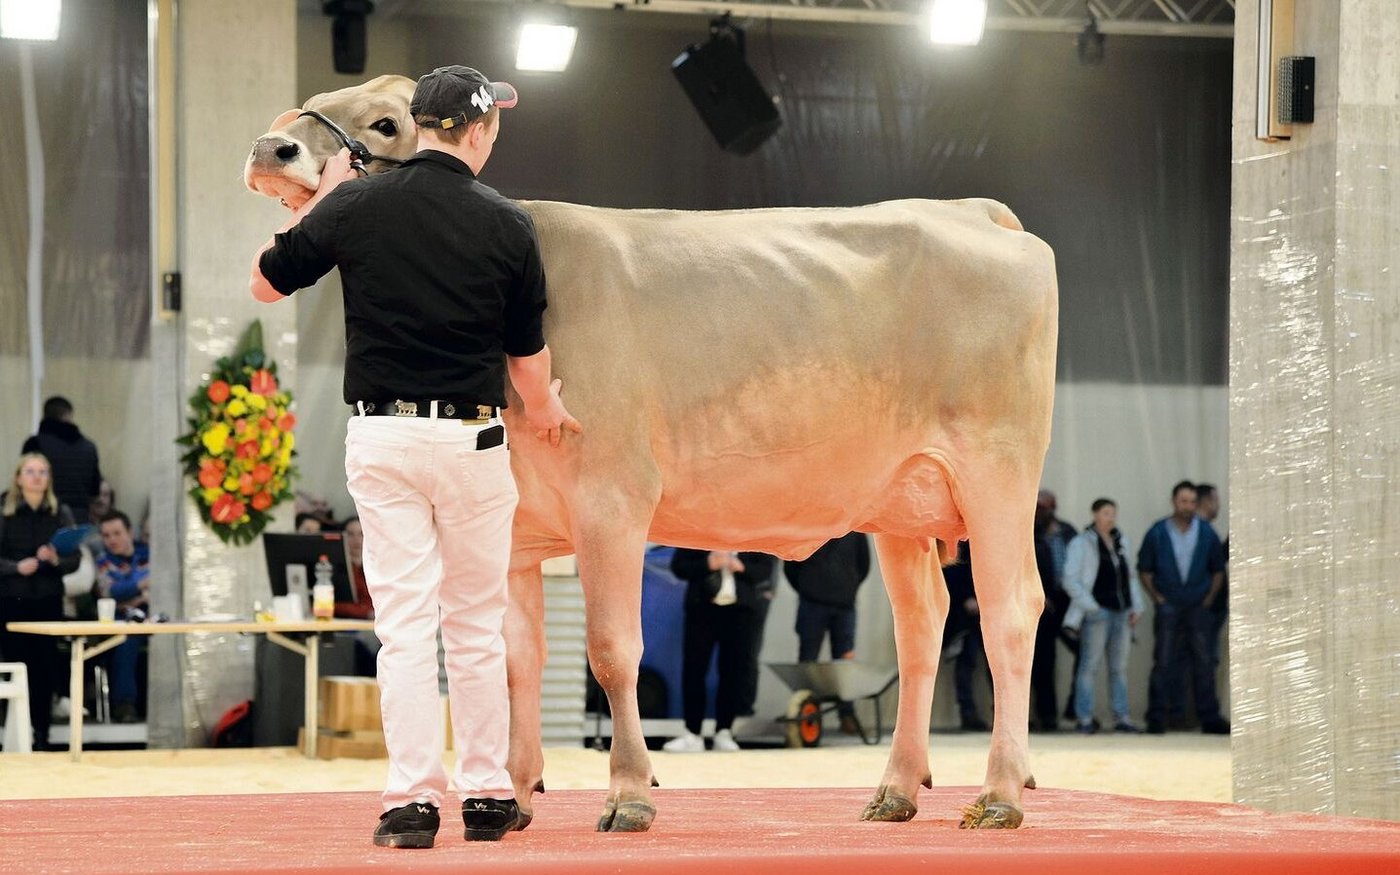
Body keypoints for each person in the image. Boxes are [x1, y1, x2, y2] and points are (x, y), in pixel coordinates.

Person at [250, 65, 580, 848]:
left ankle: (409, 803)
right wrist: (548, 407)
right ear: (479, 130)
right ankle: (489, 794)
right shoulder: (507, 224)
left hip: (385, 434)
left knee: (404, 627)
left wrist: (327, 197)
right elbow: (526, 355)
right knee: (474, 623)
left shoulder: (357, 204)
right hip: (472, 440)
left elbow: (265, 284)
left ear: (423, 124)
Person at [0, 453, 80, 750]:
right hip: (12, 599)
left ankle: (43, 735)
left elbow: (75, 560)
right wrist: (15, 568)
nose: (37, 477)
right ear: (19, 477)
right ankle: (13, 737)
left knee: (45, 667)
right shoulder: (4, 511)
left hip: (47, 599)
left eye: (43, 472)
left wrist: (56, 558)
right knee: (16, 664)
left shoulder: (60, 513)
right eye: (31, 471)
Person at [1137, 481, 1228, 735]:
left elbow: (1218, 570)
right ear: (1173, 501)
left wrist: (1209, 599)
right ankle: (1157, 718)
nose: (1187, 506)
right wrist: (1158, 598)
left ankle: (1209, 718)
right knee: (1163, 661)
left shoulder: (1207, 532)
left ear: (1195, 504)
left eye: (1191, 502)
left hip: (1198, 606)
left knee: (1204, 662)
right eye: (1182, 501)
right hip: (1169, 606)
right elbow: (1144, 568)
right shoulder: (1157, 532)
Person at [664, 548, 777, 752]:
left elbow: (765, 570)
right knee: (694, 670)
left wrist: (741, 566)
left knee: (733, 671)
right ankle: (692, 732)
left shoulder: (752, 532)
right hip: (702, 610)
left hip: (740, 612)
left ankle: (724, 730)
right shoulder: (698, 530)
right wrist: (708, 564)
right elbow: (679, 566)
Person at [1062, 499, 1144, 733]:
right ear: (1095, 514)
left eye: (1113, 513)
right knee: (1089, 665)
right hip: (1098, 611)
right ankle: (1085, 718)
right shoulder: (1082, 542)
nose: (1111, 518)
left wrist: (1136, 606)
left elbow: (1130, 577)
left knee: (1119, 667)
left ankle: (1122, 717)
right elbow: (1071, 579)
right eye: (1106, 513)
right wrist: (1091, 606)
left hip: (1121, 611)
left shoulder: (1121, 541)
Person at [783, 532, 870, 734]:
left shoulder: (856, 528)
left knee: (844, 662)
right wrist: (808, 588)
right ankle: (805, 715)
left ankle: (847, 714)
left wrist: (848, 586)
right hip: (811, 604)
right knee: (808, 660)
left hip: (845, 605)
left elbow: (864, 566)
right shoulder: (809, 522)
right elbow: (791, 565)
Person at [94, 510, 150, 723]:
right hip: (121, 622)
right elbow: (108, 592)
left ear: (129, 531)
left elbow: (162, 587)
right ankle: (125, 705)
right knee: (126, 635)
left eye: (117, 533)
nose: (112, 540)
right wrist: (140, 587)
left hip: (153, 619)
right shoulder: (103, 562)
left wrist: (131, 595)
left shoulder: (149, 554)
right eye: (106, 536)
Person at [1033, 490, 1075, 732]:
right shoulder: (1028, 532)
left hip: (1069, 601)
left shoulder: (1068, 533)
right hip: (1043, 604)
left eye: (1043, 508)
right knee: (1043, 662)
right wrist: (1039, 593)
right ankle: (1046, 716)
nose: (1039, 513)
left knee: (1085, 653)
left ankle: (1073, 708)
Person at [22, 397, 103, 516]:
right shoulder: (89, 447)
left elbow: (25, 483)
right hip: (79, 517)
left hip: (43, 516)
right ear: (68, 415)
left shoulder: (34, 444)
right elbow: (94, 490)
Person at [942, 541, 990, 732]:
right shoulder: (959, 538)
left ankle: (1000, 715)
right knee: (966, 663)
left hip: (990, 608)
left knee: (997, 666)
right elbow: (950, 568)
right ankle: (967, 713)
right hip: (964, 614)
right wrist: (966, 597)